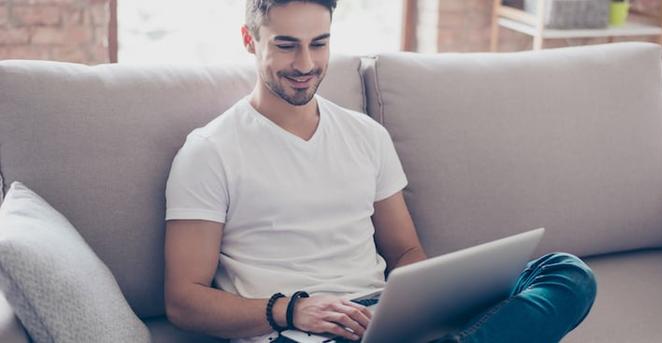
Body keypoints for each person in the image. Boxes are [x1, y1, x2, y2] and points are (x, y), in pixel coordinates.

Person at [163, 1, 597, 342]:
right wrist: (293, 309)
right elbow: (184, 302)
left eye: (319, 43)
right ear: (248, 39)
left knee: (567, 273)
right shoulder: (210, 151)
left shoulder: (365, 135)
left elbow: (405, 252)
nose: (305, 63)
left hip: (380, 317)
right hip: (293, 329)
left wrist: (420, 303)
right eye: (285, 44)